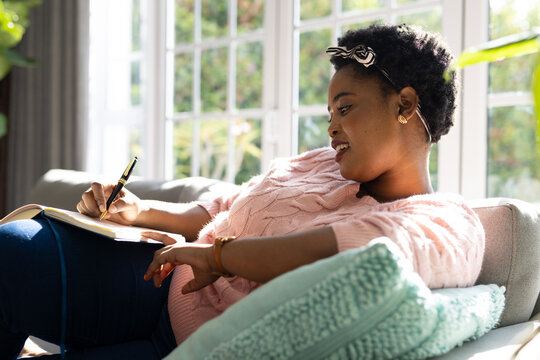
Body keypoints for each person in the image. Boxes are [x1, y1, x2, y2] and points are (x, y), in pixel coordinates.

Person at [0, 24, 484, 359]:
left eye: (346, 107)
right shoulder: (323, 161)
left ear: (405, 104)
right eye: (330, 113)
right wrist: (140, 211)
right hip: (153, 284)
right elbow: (220, 208)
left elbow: (359, 253)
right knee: (11, 250)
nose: (332, 127)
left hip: (180, 343)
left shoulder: (444, 221)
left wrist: (222, 258)